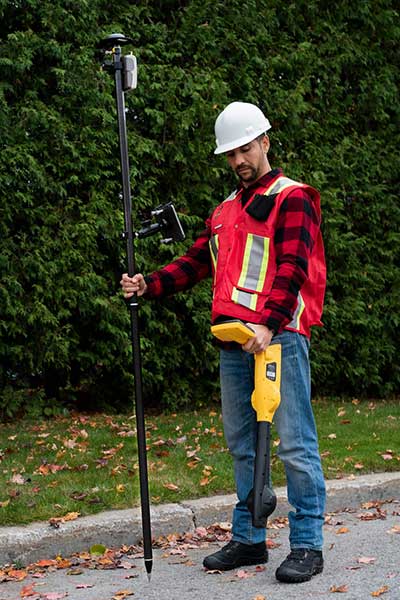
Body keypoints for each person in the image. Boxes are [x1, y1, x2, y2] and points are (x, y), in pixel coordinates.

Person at [121, 101, 327, 584]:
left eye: (246, 148)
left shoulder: (291, 197)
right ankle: (250, 538)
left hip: (279, 338)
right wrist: (148, 284)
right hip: (234, 341)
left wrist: (270, 324)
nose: (239, 159)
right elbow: (197, 262)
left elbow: (293, 268)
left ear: (265, 143)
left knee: (295, 445)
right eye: (231, 153)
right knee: (242, 447)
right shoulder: (225, 211)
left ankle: (307, 544)